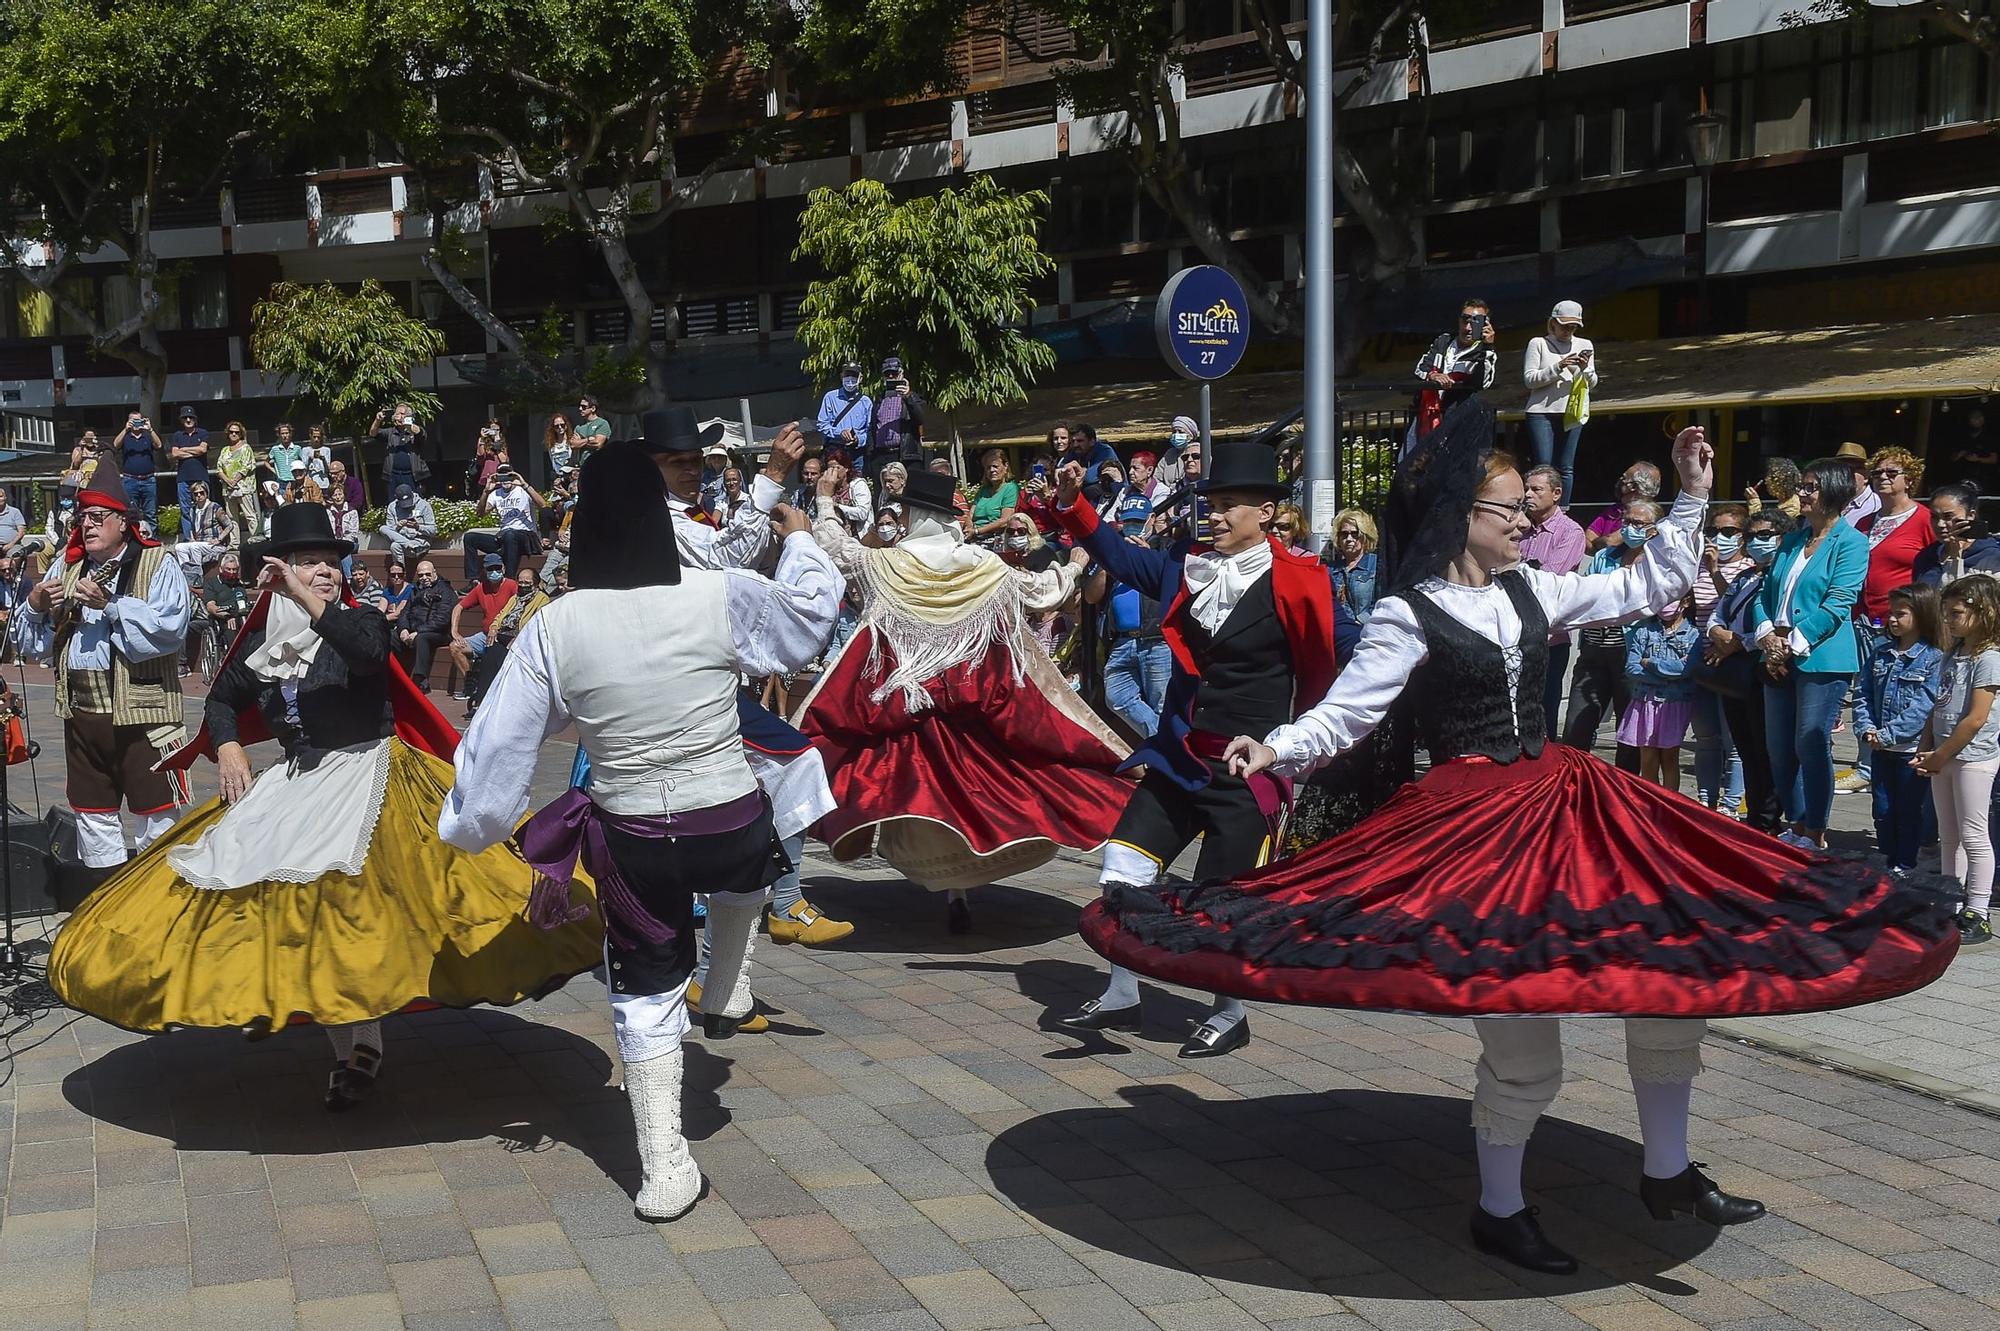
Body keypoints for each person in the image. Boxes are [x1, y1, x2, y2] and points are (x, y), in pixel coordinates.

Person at [1094, 402, 1956, 1276]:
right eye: (1507, 509)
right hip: (1475, 831)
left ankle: (1667, 1169)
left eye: (1522, 508)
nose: (1527, 520)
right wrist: (1273, 745)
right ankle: (1500, 1207)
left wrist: (1692, 498)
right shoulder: (1407, 613)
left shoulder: (1534, 588)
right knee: (1525, 1030)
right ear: (1460, 516)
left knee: (1672, 972)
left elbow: (1641, 586)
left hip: (1567, 801)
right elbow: (1349, 712)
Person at [49, 502, 600, 1111]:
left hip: (373, 774)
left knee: (358, 914)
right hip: (299, 782)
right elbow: (224, 698)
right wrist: (229, 747)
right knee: (280, 906)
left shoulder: (361, 618)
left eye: (330, 562)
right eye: (308, 562)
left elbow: (366, 652)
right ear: (282, 568)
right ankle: (316, 1021)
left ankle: (361, 1044)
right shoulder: (264, 637)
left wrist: (309, 598)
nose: (324, 572)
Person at [439, 442, 840, 1222]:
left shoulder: (558, 625)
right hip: (727, 820)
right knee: (758, 829)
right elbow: (808, 625)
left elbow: (499, 747)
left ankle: (664, 1170)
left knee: (647, 991)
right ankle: (727, 983)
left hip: (636, 841)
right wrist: (798, 538)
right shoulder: (716, 593)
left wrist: (468, 827)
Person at [1048, 443, 1349, 1058]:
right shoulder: (1184, 565)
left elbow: (1358, 644)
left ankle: (1230, 1011)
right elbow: (1118, 556)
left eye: (1230, 505)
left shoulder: (1302, 579)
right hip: (1180, 757)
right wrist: (1072, 504)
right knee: (1122, 870)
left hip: (1249, 771)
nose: (1214, 514)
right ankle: (1123, 992)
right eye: (1211, 504)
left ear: (1266, 511)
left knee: (1222, 900)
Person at [799, 461, 1130, 936]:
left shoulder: (885, 564)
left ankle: (951, 889)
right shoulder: (984, 566)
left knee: (914, 790)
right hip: (969, 700)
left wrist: (827, 499)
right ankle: (962, 889)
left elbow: (834, 548)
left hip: (908, 700)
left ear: (911, 516)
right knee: (986, 784)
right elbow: (1042, 593)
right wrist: (1074, 566)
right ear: (953, 519)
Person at [8, 454, 192, 878]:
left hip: (144, 716)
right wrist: (34, 606)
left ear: (122, 521)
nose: (86, 525)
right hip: (83, 717)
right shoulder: (65, 567)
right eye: (82, 517)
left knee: (156, 819)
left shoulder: (157, 563)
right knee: (95, 818)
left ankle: (157, 902)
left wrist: (110, 605)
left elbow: (168, 631)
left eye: (96, 517)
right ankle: (105, 899)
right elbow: (32, 647)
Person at [1754, 456, 1870, 850]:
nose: (1801, 493)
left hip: (1820, 657)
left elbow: (1839, 603)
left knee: (1810, 738)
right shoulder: (1790, 541)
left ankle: (1816, 828)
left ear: (1834, 492)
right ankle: (1796, 821)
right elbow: (1764, 596)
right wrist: (1767, 633)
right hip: (1776, 652)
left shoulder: (1851, 543)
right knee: (1779, 746)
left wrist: (1793, 643)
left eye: (1810, 487)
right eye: (1802, 486)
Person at [1921, 574, 2000, 946]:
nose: (1949, 620)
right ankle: (1949, 901)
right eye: (1947, 613)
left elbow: (1976, 717)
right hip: (1943, 753)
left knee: (1973, 835)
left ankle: (1978, 910)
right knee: (1947, 834)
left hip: (1973, 757)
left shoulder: (1990, 658)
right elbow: (1938, 705)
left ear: (1982, 612)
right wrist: (1928, 746)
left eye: (1956, 613)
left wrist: (1941, 753)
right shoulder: (1954, 654)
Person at [1705, 510, 1793, 831]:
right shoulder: (1744, 577)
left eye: (1765, 535)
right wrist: (1720, 635)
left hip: (1762, 672)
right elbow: (1718, 614)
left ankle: (1768, 819)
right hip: (1734, 675)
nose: (1757, 542)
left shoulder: (1783, 579)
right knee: (1745, 747)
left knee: (1765, 749)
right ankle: (1755, 816)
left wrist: (1739, 642)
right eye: (1752, 536)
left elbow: (1779, 626)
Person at [1854, 582, 1945, 878]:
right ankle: (1886, 857)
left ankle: (1905, 863)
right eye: (1891, 613)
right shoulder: (1880, 653)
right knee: (1881, 808)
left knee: (1907, 810)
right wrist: (1866, 727)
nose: (1892, 619)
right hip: (1880, 748)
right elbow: (1863, 692)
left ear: (1921, 615)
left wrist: (1888, 734)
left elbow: (1923, 706)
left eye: (1901, 614)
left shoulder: (1933, 658)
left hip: (1909, 750)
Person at [1564, 499, 1660, 761]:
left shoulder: (1657, 563)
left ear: (1654, 528)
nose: (1630, 528)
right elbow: (1586, 593)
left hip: (1630, 652)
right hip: (1594, 648)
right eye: (1626, 522)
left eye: (1638, 523)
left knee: (1628, 734)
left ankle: (1624, 793)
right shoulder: (1604, 557)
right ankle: (1575, 786)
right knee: (1576, 727)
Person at [1689, 503, 1754, 812]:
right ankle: (1706, 799)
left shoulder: (1748, 568)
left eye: (1729, 532)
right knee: (1705, 735)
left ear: (1743, 536)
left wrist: (1716, 571)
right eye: (1714, 531)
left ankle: (1731, 803)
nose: (1719, 538)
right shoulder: (1698, 565)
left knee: (1734, 739)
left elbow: (1735, 603)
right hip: (1702, 655)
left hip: (1732, 656)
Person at [1516, 465, 1586, 740]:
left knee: (1543, 709)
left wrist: (1515, 574)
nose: (1528, 494)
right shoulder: (1518, 527)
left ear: (1556, 493)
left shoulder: (1570, 533)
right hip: (1513, 633)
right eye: (1526, 488)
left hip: (1549, 639)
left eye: (1536, 489)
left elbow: (1547, 582)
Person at [1521, 301, 1597, 503]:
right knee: (1544, 466)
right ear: (1553, 323)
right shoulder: (1538, 343)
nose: (1568, 330)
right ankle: (1538, 508)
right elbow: (1530, 380)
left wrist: (1584, 368)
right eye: (1564, 325)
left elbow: (1593, 382)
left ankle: (1562, 512)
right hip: (1541, 412)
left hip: (1572, 411)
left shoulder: (1585, 345)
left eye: (1573, 326)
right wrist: (1559, 366)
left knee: (1566, 467)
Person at [1620, 594, 1699, 790]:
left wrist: (1650, 663)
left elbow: (1684, 669)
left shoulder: (1693, 634)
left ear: (1686, 601)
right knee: (1647, 755)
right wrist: (1666, 677)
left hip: (1675, 703)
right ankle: (1651, 804)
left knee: (1670, 756)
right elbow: (1631, 667)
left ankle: (1670, 803)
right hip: (1644, 701)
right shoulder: (1644, 631)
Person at [1406, 297, 1497, 452]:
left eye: (1476, 322)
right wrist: (1433, 376)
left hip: (1458, 420)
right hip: (1425, 416)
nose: (1468, 327)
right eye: (1465, 320)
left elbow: (1483, 383)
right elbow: (1420, 369)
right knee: (1411, 464)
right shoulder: (1443, 341)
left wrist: (1488, 347)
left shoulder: (1483, 352)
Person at [446, 554, 518, 699]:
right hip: (485, 636)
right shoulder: (481, 588)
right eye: (490, 569)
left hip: (506, 636)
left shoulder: (512, 585)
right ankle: (471, 687)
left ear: (503, 568)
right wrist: (454, 631)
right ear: (485, 571)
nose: (494, 571)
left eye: (497, 568)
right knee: (455, 647)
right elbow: (458, 607)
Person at [464, 465, 546, 583]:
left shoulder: (523, 490)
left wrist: (524, 484)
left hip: (526, 537)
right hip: (504, 538)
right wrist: (486, 492)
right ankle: (473, 580)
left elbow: (543, 505)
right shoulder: (495, 494)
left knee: (510, 534)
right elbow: (480, 514)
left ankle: (509, 579)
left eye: (508, 476)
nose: (505, 480)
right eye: (502, 476)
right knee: (470, 537)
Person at [1914, 482, 2000, 586]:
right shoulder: (1926, 557)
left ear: (1971, 515)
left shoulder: (1990, 557)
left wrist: (1955, 557)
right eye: (1934, 517)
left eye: (1948, 516)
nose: (1940, 524)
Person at [393, 560, 454, 692]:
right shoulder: (415, 590)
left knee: (422, 638)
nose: (424, 578)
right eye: (421, 575)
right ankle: (391, 674)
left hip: (439, 633)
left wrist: (418, 632)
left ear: (434, 573)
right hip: (414, 631)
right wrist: (403, 629)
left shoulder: (445, 590)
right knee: (390, 635)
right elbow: (405, 613)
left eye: (427, 574)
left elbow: (442, 620)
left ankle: (421, 680)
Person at [1585, 462, 1661, 552]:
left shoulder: (1650, 516)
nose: (1620, 481)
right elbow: (1587, 540)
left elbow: (1610, 542)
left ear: (1633, 486)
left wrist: (1597, 543)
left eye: (1624, 479)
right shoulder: (1613, 510)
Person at [868, 356, 927, 472]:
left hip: (905, 456)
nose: (890, 377)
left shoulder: (912, 397)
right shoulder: (879, 399)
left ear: (901, 374)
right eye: (887, 374)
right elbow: (872, 426)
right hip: (881, 456)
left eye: (894, 373)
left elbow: (921, 418)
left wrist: (908, 396)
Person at [112, 411, 164, 531]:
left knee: (150, 513)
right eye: (133, 421)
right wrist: (125, 429)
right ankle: (133, 538)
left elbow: (159, 445)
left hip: (148, 480)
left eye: (138, 420)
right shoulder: (126, 436)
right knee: (130, 512)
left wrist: (150, 430)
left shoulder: (147, 435)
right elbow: (115, 445)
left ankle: (152, 540)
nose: (136, 423)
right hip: (130, 480)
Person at [1325, 510, 1379, 622]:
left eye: (1355, 534)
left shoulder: (1376, 566)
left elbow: (1382, 604)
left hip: (1365, 631)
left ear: (1365, 536)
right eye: (1344, 534)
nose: (1349, 539)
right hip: (1339, 631)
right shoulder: (1330, 570)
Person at [816, 358, 873, 464]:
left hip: (857, 454)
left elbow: (869, 430)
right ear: (841, 376)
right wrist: (839, 433)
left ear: (860, 378)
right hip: (835, 450)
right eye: (847, 375)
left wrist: (857, 439)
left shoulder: (866, 402)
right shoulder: (830, 397)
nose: (850, 379)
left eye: (854, 376)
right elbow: (822, 424)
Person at [166, 406, 213, 523]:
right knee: (185, 510)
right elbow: (175, 453)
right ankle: (189, 538)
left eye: (190, 417)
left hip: (200, 476)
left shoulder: (203, 433)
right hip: (183, 478)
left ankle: (204, 535)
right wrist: (194, 452)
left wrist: (185, 449)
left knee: (204, 508)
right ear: (181, 420)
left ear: (195, 419)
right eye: (185, 418)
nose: (188, 420)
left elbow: (202, 450)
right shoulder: (177, 435)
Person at [371, 403, 427, 496]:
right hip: (393, 475)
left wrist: (408, 425)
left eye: (401, 413)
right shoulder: (390, 432)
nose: (397, 416)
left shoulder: (414, 431)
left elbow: (421, 433)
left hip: (413, 476)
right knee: (394, 503)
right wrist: (377, 420)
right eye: (396, 414)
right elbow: (373, 433)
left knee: (416, 501)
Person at [217, 424, 258, 546]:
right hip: (228, 488)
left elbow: (247, 466)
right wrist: (227, 480)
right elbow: (219, 468)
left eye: (237, 432)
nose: (234, 434)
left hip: (243, 487)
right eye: (231, 432)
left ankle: (255, 540)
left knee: (249, 515)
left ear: (241, 433)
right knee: (232, 517)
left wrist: (234, 480)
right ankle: (234, 543)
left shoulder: (246, 448)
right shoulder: (224, 450)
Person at [1943, 405, 1999, 495]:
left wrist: (1977, 459)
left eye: (1980, 417)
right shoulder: (1962, 437)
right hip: (1963, 476)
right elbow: (1951, 459)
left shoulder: (1989, 438)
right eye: (1974, 418)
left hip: (1984, 477)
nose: (1978, 420)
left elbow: (1994, 459)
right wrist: (1960, 454)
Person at [969, 450, 1019, 545]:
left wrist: (977, 531)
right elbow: (970, 515)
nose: (992, 470)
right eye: (988, 467)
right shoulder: (983, 491)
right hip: (974, 537)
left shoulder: (1010, 488)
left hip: (995, 538)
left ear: (1005, 466)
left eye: (995, 466)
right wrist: (968, 528)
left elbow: (1005, 520)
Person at [379, 485, 437, 567]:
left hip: (420, 543)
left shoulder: (424, 505)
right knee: (383, 529)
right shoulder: (392, 507)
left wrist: (418, 527)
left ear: (412, 495)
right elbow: (391, 531)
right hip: (404, 542)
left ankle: (412, 547)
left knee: (394, 546)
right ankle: (400, 573)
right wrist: (398, 526)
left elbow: (433, 531)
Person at [572, 394, 611, 463]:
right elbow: (573, 444)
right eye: (580, 406)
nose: (580, 409)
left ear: (593, 408)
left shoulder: (602, 423)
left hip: (598, 464)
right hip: (582, 466)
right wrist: (588, 439)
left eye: (584, 407)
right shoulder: (579, 426)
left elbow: (598, 444)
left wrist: (580, 442)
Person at [266, 423, 303, 488]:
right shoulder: (275, 449)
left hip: (294, 481)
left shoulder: (297, 448)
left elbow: (304, 463)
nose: (285, 435)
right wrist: (273, 470)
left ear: (290, 434)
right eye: (282, 433)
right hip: (281, 481)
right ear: (279, 435)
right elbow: (266, 462)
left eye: (287, 433)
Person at [543, 413, 574, 478]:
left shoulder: (572, 441)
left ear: (566, 425)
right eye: (557, 426)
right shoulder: (551, 444)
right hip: (557, 476)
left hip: (570, 476)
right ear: (553, 428)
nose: (560, 427)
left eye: (562, 425)